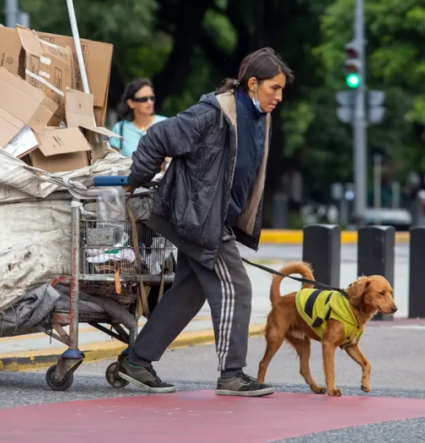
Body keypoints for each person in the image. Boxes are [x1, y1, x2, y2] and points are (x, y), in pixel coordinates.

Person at [118, 47, 294, 397]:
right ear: (253, 83)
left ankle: (135, 362)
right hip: (198, 219)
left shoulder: (260, 116)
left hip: (211, 218)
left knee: (188, 291)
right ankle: (231, 374)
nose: (279, 96)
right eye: (274, 88)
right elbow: (158, 137)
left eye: (282, 89)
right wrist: (136, 179)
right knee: (236, 288)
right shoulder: (213, 113)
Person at [109, 78, 167, 158]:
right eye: (144, 99)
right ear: (131, 103)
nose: (149, 102)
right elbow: (113, 162)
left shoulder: (165, 124)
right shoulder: (119, 128)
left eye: (152, 98)